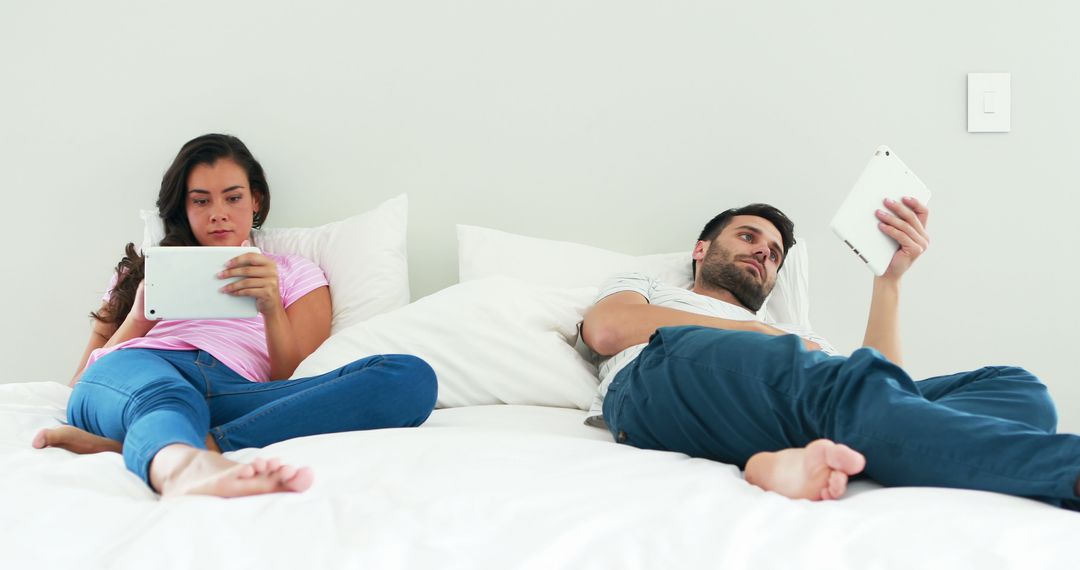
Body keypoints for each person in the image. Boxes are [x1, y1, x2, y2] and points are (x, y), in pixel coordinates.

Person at [582, 199, 1080, 507]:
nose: (763, 252)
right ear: (701, 249)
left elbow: (887, 393)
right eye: (748, 237)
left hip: (804, 397)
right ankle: (1065, 467)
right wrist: (770, 341)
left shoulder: (792, 331)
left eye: (774, 253)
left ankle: (783, 460)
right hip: (665, 379)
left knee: (1018, 390)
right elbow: (607, 329)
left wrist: (888, 283)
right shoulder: (653, 287)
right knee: (837, 385)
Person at [33, 134, 438, 499]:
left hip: (237, 392)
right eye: (201, 200)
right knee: (167, 396)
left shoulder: (296, 272)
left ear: (256, 200)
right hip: (144, 368)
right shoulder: (144, 270)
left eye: (233, 197)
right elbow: (79, 385)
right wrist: (139, 317)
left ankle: (173, 444)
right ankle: (181, 467)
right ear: (184, 207)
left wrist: (271, 306)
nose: (218, 214)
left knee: (410, 377)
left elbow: (292, 380)